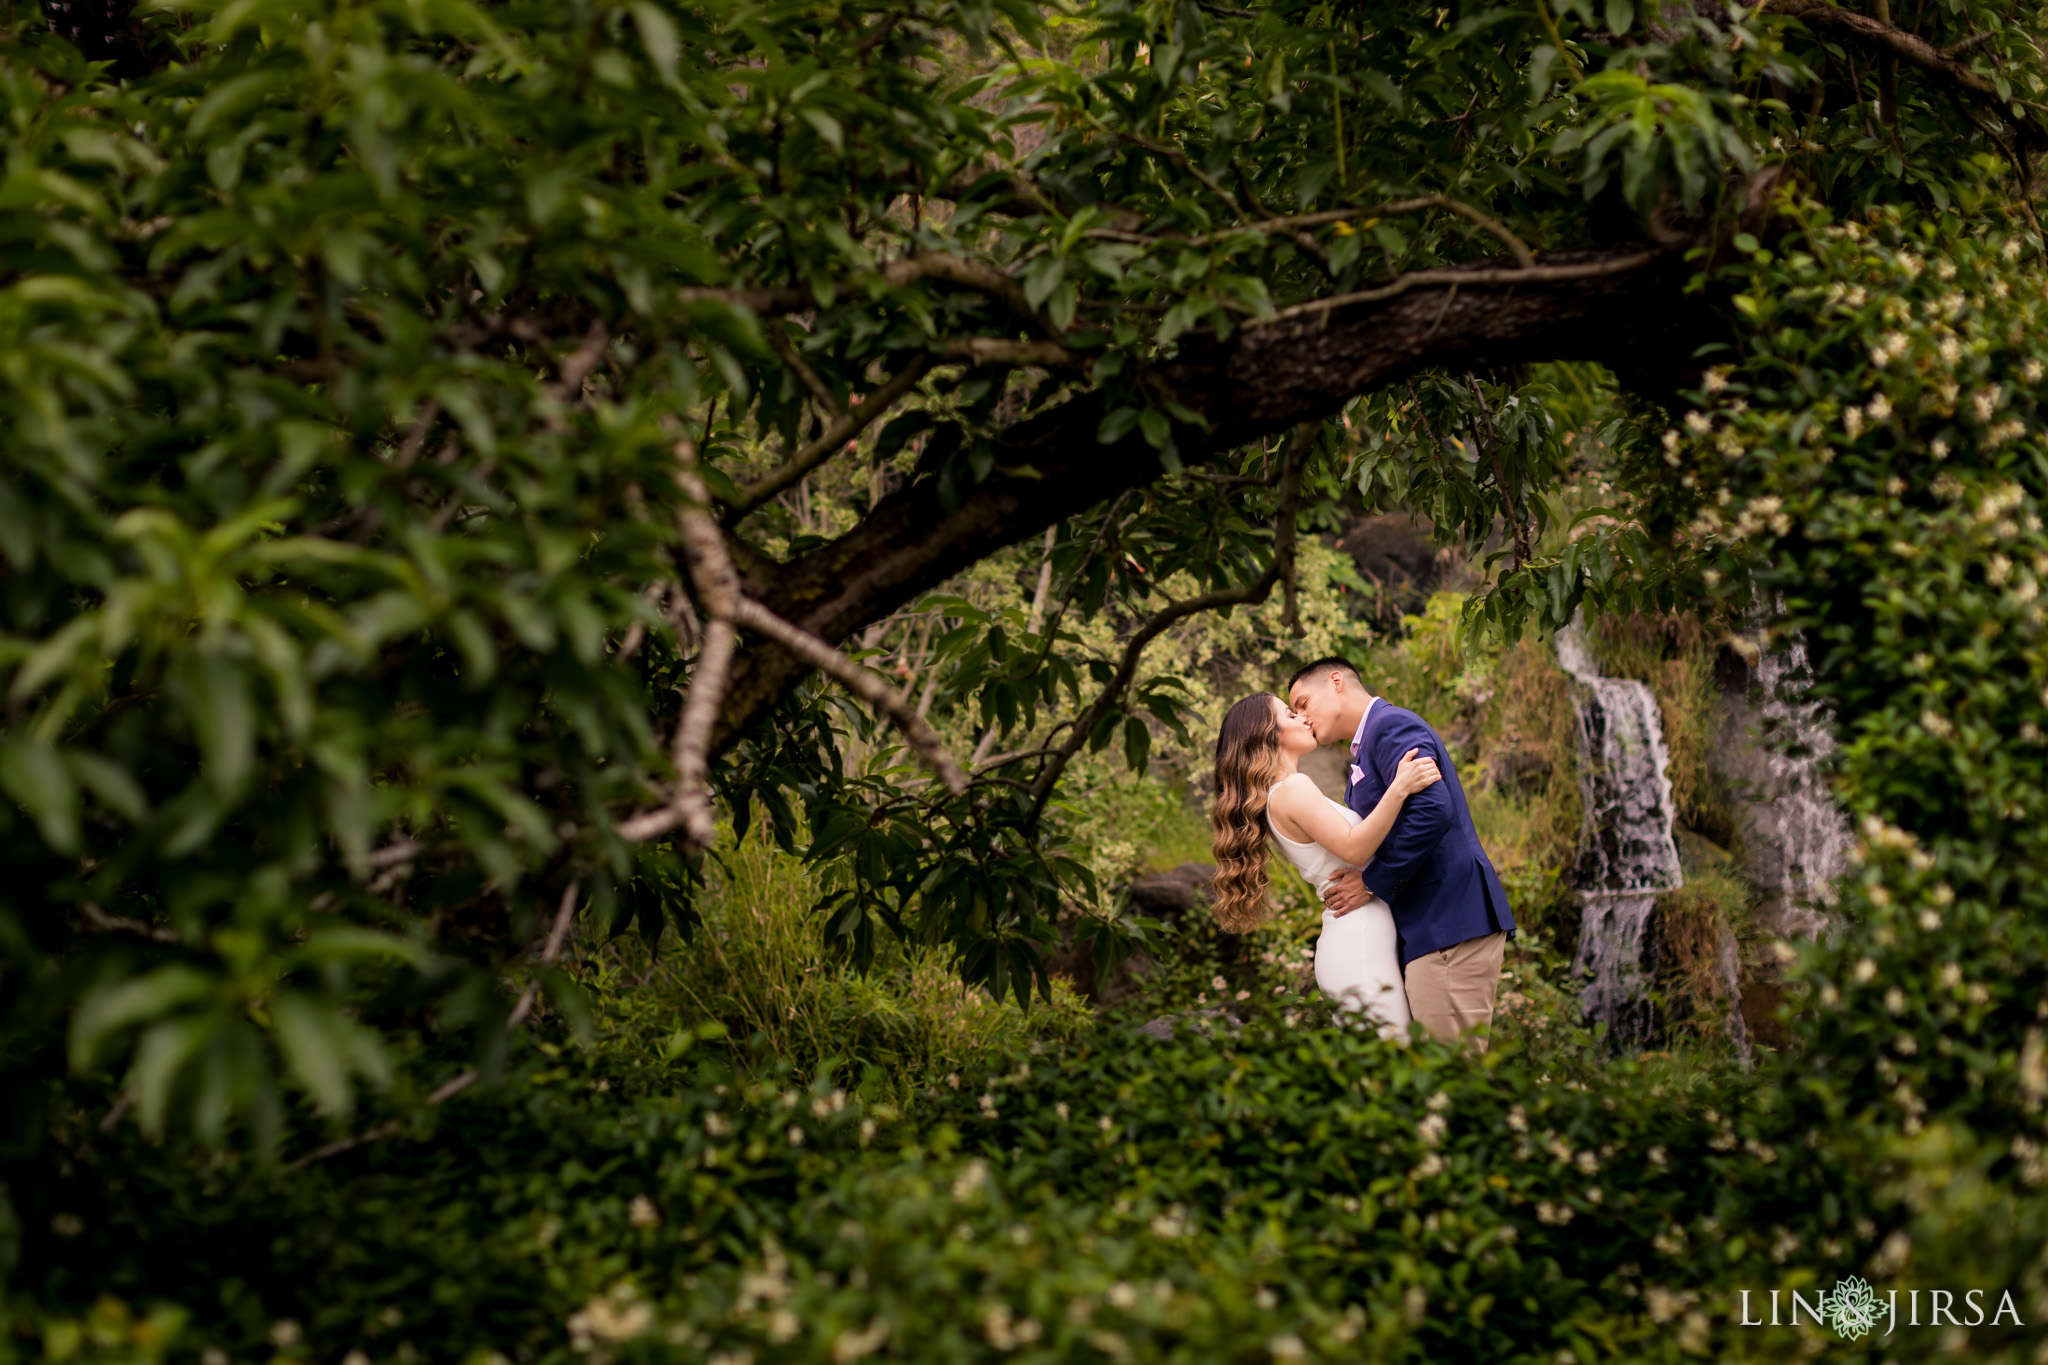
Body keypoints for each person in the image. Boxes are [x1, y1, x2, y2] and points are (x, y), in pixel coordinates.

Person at [1285, 656, 1516, 1049]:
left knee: (1449, 1076)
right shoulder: (1366, 747)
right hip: (1428, 926)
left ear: (1336, 682)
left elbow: (1433, 808)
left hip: (1448, 919)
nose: (1302, 717)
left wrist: (1373, 883)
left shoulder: (1390, 725)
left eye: (1304, 703)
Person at [1209, 692, 1444, 1035]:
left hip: (1359, 932)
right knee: (1389, 1064)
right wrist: (1400, 787)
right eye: (1291, 715)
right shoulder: (1292, 789)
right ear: (1268, 733)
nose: (1304, 718)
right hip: (1358, 937)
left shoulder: (1282, 794)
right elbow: (1355, 850)